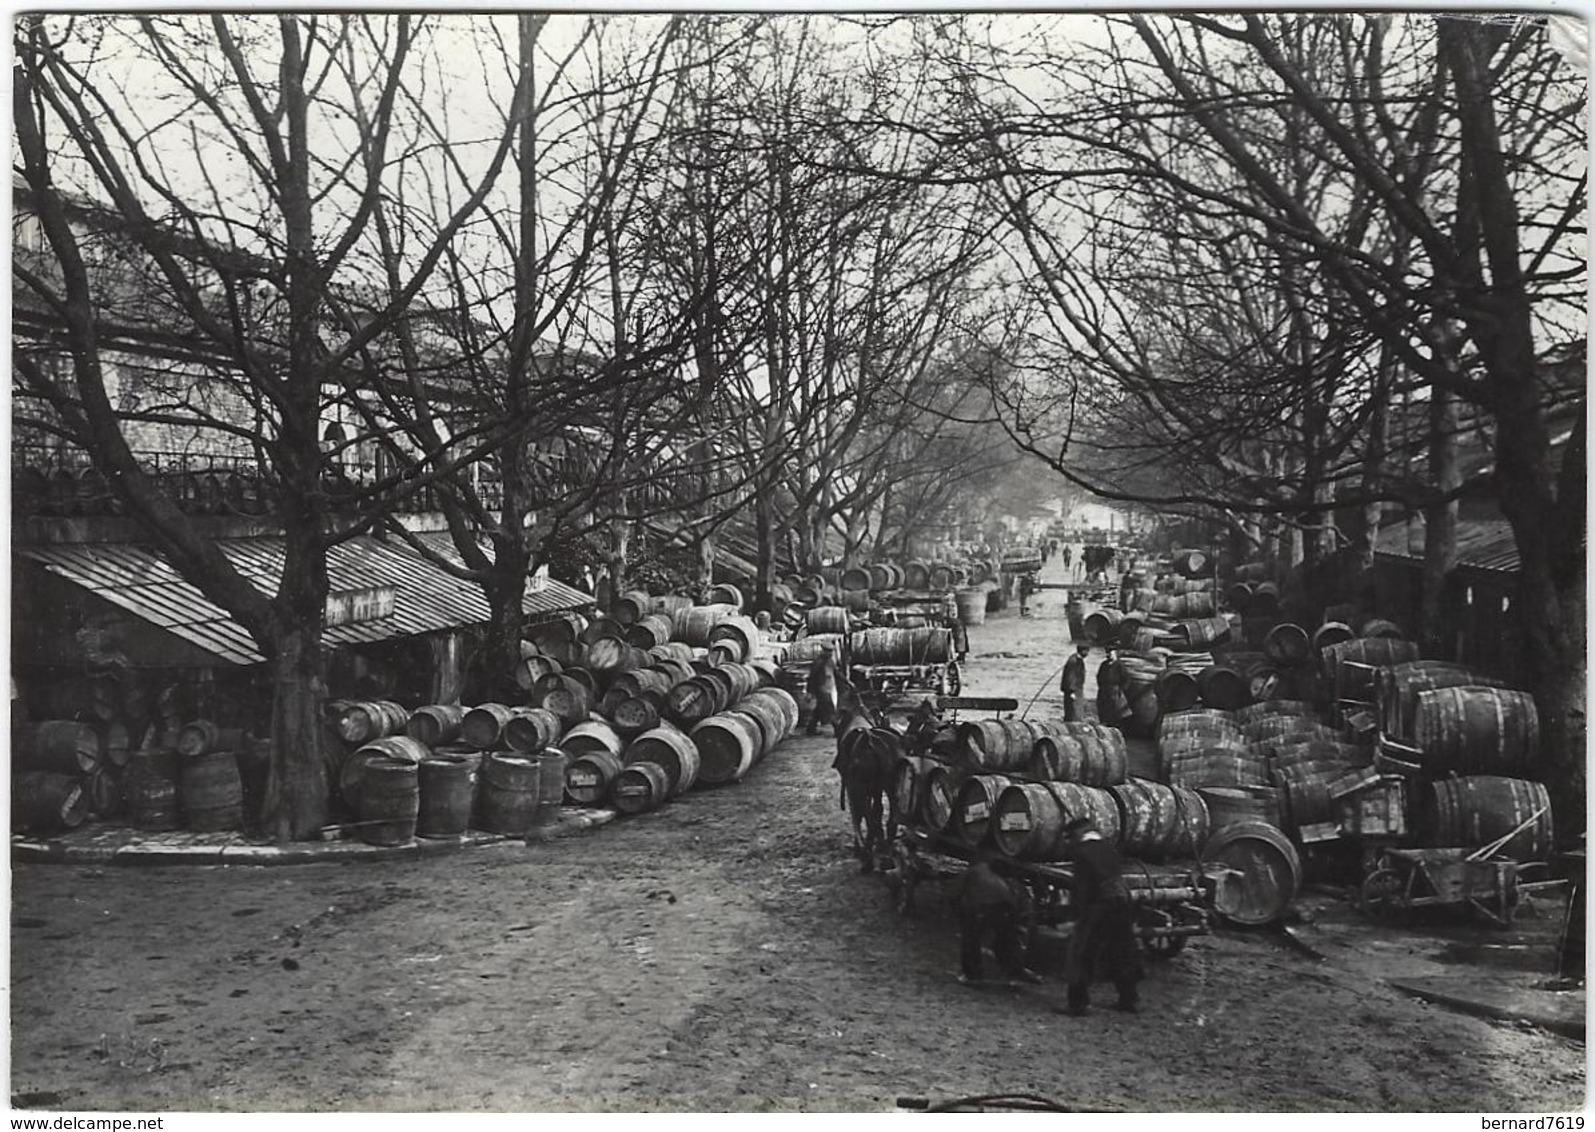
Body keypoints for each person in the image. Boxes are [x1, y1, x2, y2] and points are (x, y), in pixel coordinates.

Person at [1058, 815, 1142, 1015]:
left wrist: (1074, 916)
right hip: (1121, 903)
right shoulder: (1110, 849)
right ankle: (1129, 999)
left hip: (1099, 905)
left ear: (1078, 835)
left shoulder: (1082, 853)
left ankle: (1078, 1005)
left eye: (1070, 838)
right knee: (1122, 950)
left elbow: (1082, 888)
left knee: (1082, 952)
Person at [950, 848, 1042, 987]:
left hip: (984, 906)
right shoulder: (993, 874)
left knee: (970, 939)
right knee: (1005, 939)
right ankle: (1013, 971)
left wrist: (957, 912)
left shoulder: (972, 872)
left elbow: (954, 893)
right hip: (1006, 906)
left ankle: (972, 975)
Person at [806, 648, 840, 737]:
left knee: (819, 710)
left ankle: (810, 729)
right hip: (822, 689)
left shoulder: (830, 661)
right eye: (829, 651)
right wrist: (810, 692)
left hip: (829, 688)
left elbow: (836, 673)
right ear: (824, 651)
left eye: (831, 651)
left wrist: (846, 681)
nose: (831, 653)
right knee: (830, 710)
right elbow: (812, 678)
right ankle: (838, 730)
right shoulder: (818, 662)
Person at [1061, 643, 1090, 721]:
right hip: (1074, 692)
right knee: (1073, 713)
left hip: (1078, 691)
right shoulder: (1074, 661)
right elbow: (1070, 677)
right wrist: (1071, 692)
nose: (1088, 654)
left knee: (1077, 713)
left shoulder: (1078, 660)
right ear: (1083, 651)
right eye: (1087, 651)